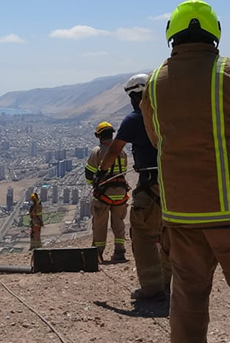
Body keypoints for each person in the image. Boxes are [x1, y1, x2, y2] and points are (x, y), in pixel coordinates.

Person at [141, 0, 230, 343]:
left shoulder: (155, 82)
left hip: (180, 217)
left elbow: (158, 138)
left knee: (187, 299)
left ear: (171, 34)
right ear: (214, 33)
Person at [99, 73, 172, 301]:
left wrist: (101, 174)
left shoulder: (135, 119)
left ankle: (152, 289)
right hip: (178, 184)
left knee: (143, 235)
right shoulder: (170, 114)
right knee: (171, 233)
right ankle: (171, 285)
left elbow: (113, 150)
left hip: (151, 185)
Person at [85, 121, 130, 262]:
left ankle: (97, 254)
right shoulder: (122, 152)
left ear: (98, 136)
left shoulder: (97, 151)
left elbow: (89, 174)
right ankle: (120, 252)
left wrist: (94, 184)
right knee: (119, 223)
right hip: (121, 194)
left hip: (103, 195)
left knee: (99, 225)